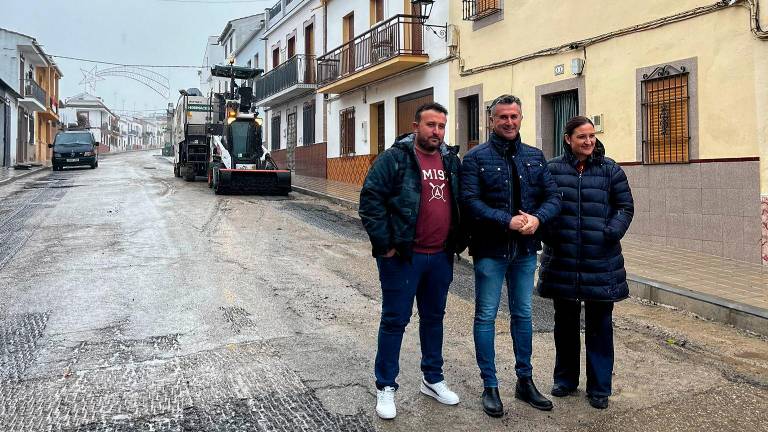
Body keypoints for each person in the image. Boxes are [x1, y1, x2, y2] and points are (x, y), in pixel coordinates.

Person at [359, 102, 465, 420]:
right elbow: (370, 200)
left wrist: (458, 242)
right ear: (416, 126)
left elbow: (460, 201)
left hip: (440, 256)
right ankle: (385, 386)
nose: (437, 131)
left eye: (441, 126)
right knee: (395, 321)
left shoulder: (450, 160)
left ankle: (432, 378)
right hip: (403, 257)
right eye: (431, 125)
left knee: (434, 319)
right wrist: (386, 246)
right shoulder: (395, 158)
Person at [460, 94, 561, 417]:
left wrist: (538, 219)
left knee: (523, 315)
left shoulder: (535, 156)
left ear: (520, 119)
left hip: (526, 251)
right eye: (502, 117)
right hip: (490, 250)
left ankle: (524, 381)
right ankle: (490, 385)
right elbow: (469, 202)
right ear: (491, 120)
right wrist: (507, 221)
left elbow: (553, 197)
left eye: (513, 117)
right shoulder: (475, 158)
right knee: (486, 316)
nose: (508, 122)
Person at [537, 115, 634, 410]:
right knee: (564, 324)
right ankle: (565, 380)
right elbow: (541, 206)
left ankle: (599, 387)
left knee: (600, 326)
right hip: (563, 259)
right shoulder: (552, 169)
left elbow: (625, 207)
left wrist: (611, 232)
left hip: (600, 260)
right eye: (582, 136)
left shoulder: (610, 170)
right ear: (568, 139)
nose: (589, 141)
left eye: (592, 136)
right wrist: (550, 234)